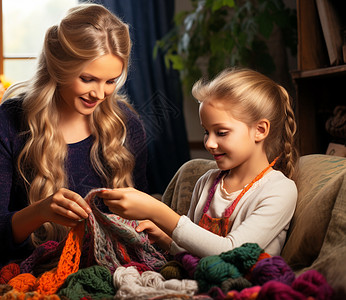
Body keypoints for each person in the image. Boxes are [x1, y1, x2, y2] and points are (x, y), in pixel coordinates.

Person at [0, 3, 148, 271]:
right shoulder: (6, 125)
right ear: (59, 67)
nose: (100, 94)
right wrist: (40, 212)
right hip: (23, 270)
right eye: (88, 79)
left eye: (111, 81)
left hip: (105, 270)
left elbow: (143, 220)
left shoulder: (125, 125)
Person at [98, 68, 298, 258]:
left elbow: (231, 253)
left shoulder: (279, 189)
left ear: (260, 130)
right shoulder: (207, 182)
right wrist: (165, 240)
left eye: (221, 133)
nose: (210, 143)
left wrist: (157, 212)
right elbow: (195, 253)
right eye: (206, 132)